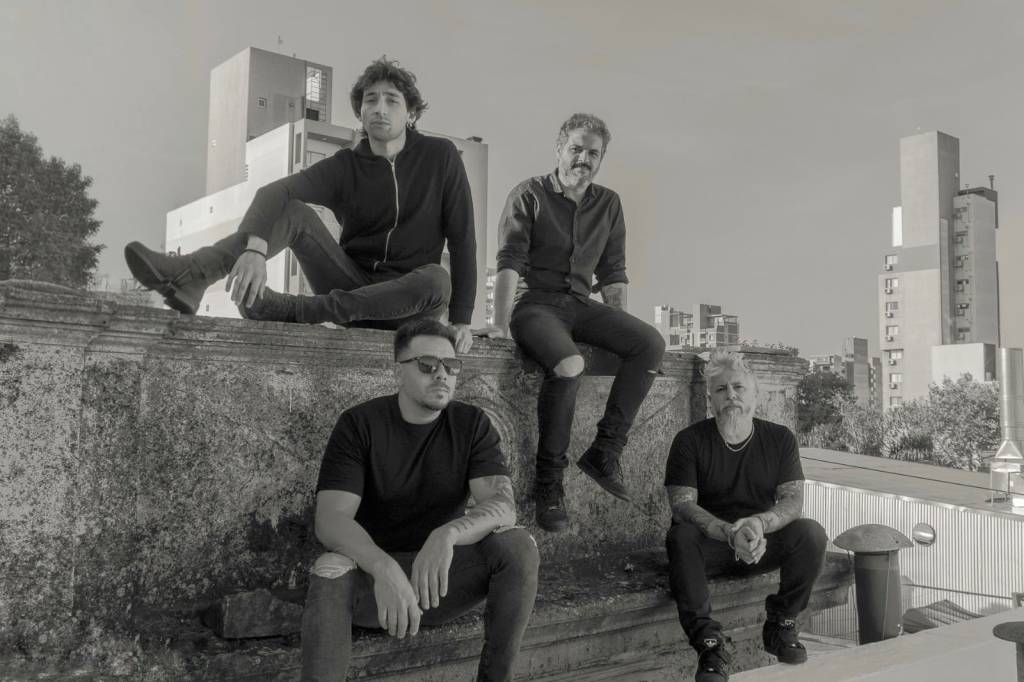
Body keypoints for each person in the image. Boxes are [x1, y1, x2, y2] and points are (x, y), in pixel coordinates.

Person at [124, 57, 477, 351]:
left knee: (437, 279)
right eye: (370, 100)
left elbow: (463, 239)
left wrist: (462, 320)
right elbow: (274, 192)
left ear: (411, 113)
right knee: (294, 212)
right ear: (360, 113)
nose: (379, 109)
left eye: (392, 100)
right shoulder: (346, 166)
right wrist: (256, 250)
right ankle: (192, 275)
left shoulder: (440, 157)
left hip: (409, 308)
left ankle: (296, 310)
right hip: (352, 286)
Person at [300, 318, 539, 681]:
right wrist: (383, 568)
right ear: (398, 371)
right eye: (427, 365)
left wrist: (447, 534)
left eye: (451, 366)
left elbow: (503, 505)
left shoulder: (471, 424)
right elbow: (330, 519)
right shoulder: (359, 424)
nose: (441, 374)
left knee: (518, 545)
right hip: (375, 586)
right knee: (330, 568)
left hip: (440, 582)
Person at [484, 113, 665, 532]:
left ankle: (605, 451)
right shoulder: (529, 193)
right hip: (534, 306)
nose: (584, 158)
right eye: (576, 149)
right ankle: (549, 484)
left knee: (650, 344)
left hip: (582, 306)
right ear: (559, 148)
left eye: (593, 153)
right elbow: (509, 260)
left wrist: (619, 328)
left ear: (601, 158)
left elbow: (614, 272)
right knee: (569, 366)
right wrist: (498, 323)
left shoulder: (609, 203)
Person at [663, 350, 828, 682]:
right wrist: (728, 532)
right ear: (710, 399)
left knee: (810, 533)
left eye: (738, 387)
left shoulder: (780, 439)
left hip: (760, 542)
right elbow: (682, 505)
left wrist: (757, 524)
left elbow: (793, 501)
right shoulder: (689, 441)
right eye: (721, 389)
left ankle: (781, 624)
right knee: (680, 536)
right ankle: (710, 645)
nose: (731, 395)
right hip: (711, 545)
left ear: (755, 395)